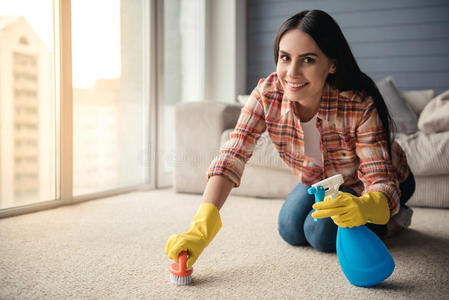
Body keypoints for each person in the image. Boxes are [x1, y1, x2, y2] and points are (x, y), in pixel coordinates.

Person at [165, 10, 415, 268]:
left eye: (307, 60)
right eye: (285, 58)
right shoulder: (267, 95)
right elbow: (233, 154)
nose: (292, 72)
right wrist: (200, 228)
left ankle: (392, 220)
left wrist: (366, 207)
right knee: (290, 229)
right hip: (320, 180)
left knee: (320, 234)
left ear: (332, 64)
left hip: (381, 181)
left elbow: (380, 179)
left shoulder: (357, 105)